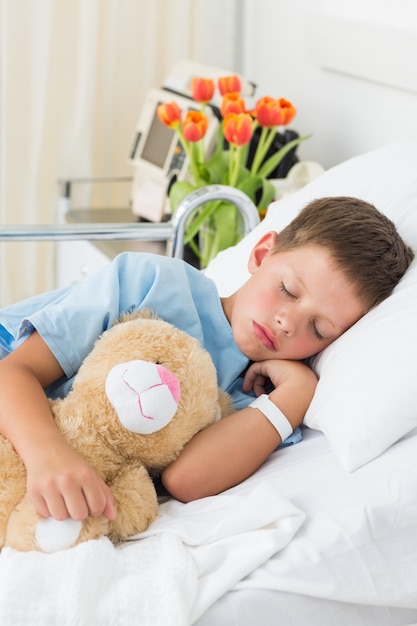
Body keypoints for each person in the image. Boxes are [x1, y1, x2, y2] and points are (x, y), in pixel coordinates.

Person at [0, 196, 413, 522]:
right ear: (262, 253)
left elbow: (185, 480)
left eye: (319, 330)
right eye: (287, 289)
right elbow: (15, 371)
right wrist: (49, 456)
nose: (288, 322)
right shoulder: (154, 283)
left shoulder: (263, 396)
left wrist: (296, 393)